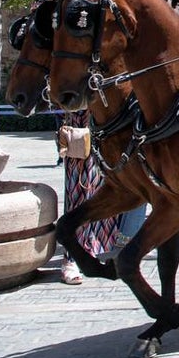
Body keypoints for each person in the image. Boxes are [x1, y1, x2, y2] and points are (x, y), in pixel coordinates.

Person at [58, 104, 119, 284]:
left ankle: (91, 248)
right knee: (79, 194)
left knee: (106, 194)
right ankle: (70, 259)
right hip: (81, 134)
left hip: (106, 133)